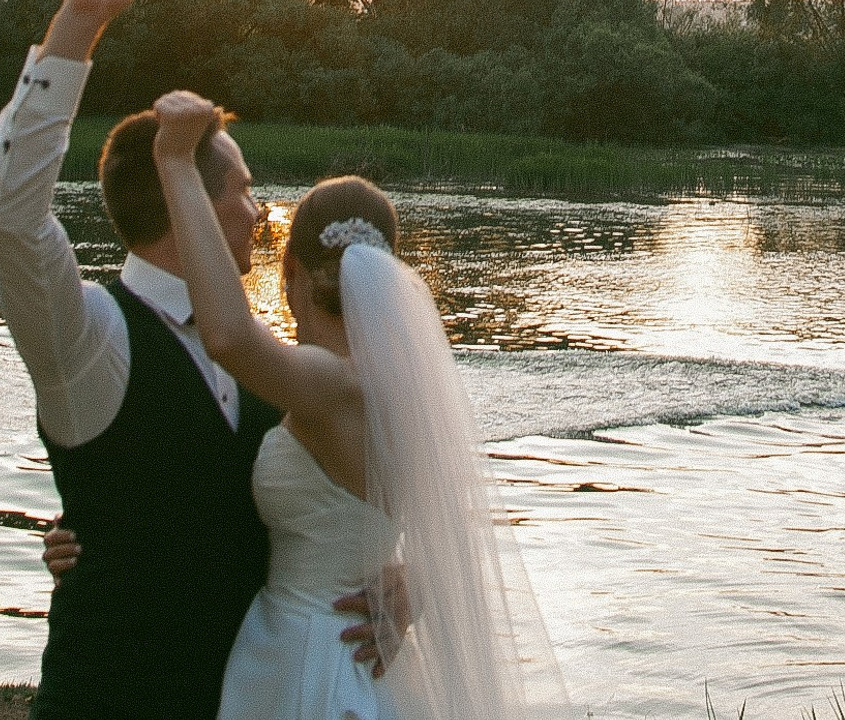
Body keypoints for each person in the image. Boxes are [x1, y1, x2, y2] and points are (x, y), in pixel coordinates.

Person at [0, 0, 384, 720]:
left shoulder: (267, 352)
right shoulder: (91, 338)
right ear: (188, 203)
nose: (258, 212)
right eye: (240, 190)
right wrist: (78, 23)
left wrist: (395, 578)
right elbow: (14, 217)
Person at [152, 92, 568, 720]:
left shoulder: (333, 383)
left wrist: (176, 163)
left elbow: (230, 336)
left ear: (289, 267)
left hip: (310, 653)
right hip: (355, 653)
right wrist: (413, 584)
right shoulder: (394, 389)